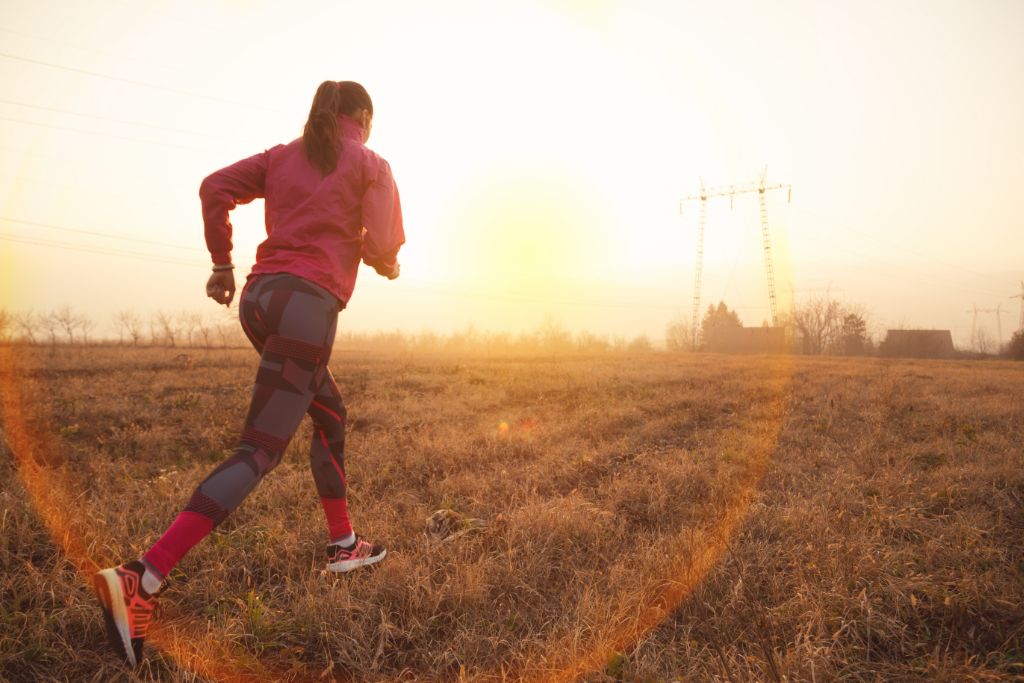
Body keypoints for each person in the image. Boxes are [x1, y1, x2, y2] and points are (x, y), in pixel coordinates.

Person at [92, 80, 404, 668]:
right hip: (309, 307)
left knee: (330, 414)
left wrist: (220, 262)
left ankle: (343, 546)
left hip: (261, 299)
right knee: (258, 450)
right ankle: (143, 576)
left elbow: (214, 187)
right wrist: (381, 258)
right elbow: (386, 242)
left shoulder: (281, 156)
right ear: (362, 116)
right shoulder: (370, 163)